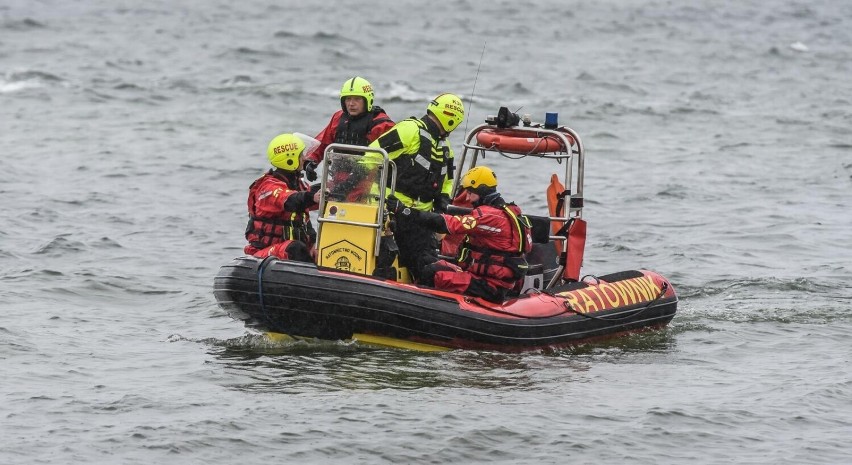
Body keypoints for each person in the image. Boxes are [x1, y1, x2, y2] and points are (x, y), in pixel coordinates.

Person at [385, 166, 533, 303]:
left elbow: (448, 224)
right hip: (486, 278)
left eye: (470, 193)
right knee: (426, 260)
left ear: (481, 191)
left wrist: (406, 211)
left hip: (490, 286)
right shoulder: (505, 211)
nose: (467, 198)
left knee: (431, 274)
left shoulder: (489, 217)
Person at [366, 93, 465, 282]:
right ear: (452, 120)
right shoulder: (409, 130)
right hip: (388, 211)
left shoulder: (445, 148)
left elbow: (447, 182)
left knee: (426, 265)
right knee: (384, 259)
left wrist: (442, 203)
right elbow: (372, 156)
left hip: (419, 218)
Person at [244, 133, 322, 262]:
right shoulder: (268, 187)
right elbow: (290, 200)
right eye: (301, 155)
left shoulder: (299, 185)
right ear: (290, 158)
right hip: (266, 251)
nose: (304, 158)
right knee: (296, 248)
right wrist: (312, 197)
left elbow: (304, 220)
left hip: (288, 248)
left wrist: (313, 243)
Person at [303, 76, 395, 181]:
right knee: (310, 195)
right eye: (348, 99)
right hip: (337, 181)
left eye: (357, 99)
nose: (351, 104)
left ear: (367, 100)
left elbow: (394, 156)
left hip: (368, 183)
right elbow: (322, 142)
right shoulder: (338, 118)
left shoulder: (381, 124)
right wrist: (309, 162)